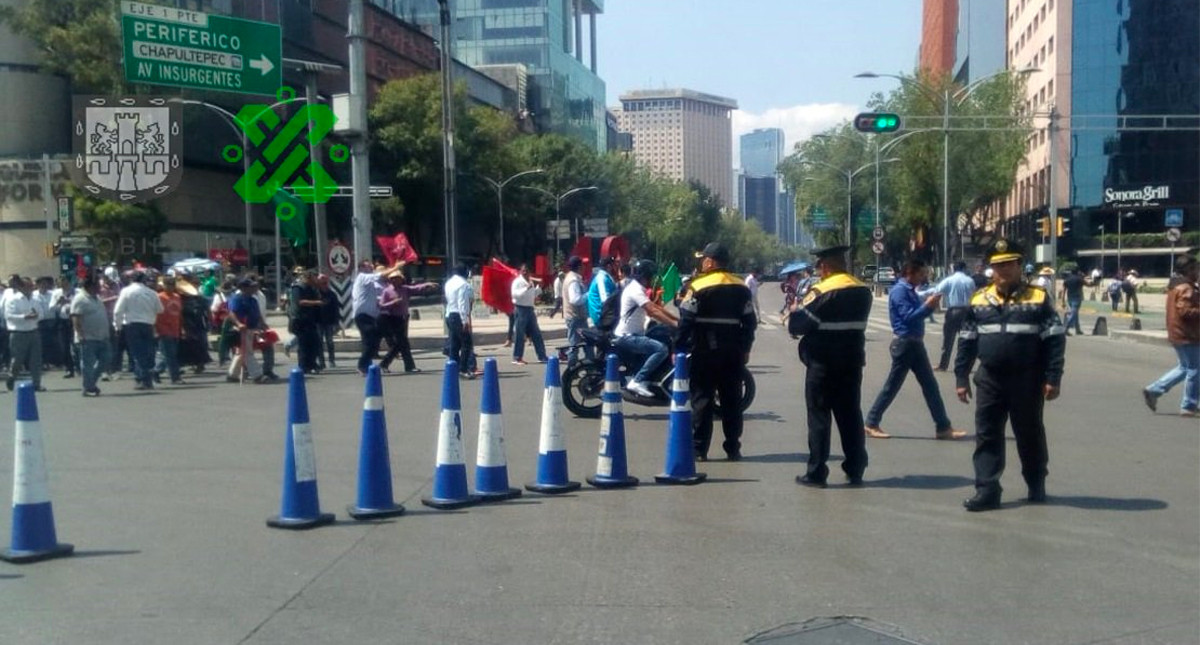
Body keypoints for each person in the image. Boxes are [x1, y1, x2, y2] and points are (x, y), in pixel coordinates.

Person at [955, 239, 1066, 511]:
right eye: (998, 266)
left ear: (1019, 266)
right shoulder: (979, 300)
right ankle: (987, 490)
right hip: (990, 379)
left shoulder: (1038, 298)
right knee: (987, 435)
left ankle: (1035, 482)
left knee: (1029, 434)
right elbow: (967, 339)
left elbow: (1054, 340)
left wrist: (1053, 377)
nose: (1003, 270)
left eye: (1008, 265)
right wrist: (961, 377)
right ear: (991, 269)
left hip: (1027, 380)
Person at [787, 246, 873, 488]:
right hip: (852, 362)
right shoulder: (863, 291)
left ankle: (816, 472)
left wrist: (795, 312)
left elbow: (798, 326)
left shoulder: (821, 291)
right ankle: (855, 468)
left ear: (825, 266)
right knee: (850, 415)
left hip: (822, 364)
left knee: (819, 416)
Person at [862, 260, 964, 440]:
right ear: (910, 273)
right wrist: (928, 306)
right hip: (905, 344)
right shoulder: (900, 291)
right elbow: (909, 317)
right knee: (892, 386)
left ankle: (943, 427)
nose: (924, 278)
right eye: (921, 274)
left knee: (930, 386)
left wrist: (926, 304)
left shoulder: (909, 290)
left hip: (914, 344)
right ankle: (871, 422)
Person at [678, 243, 757, 461]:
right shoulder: (741, 287)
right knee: (732, 401)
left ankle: (699, 449)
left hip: (704, 351)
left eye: (703, 259)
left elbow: (685, 320)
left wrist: (679, 347)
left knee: (702, 399)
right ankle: (733, 447)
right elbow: (750, 323)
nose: (701, 263)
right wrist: (746, 348)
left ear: (711, 262)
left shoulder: (698, 286)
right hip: (733, 353)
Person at [1142, 256, 1199, 417]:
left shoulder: (1176, 286)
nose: (1197, 272)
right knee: (1194, 370)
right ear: (1187, 270)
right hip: (1188, 334)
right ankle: (1189, 405)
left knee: (1184, 368)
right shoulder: (1186, 288)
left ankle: (1154, 390)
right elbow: (1185, 310)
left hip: (1178, 332)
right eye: (1195, 269)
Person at [613, 259, 678, 397]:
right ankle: (637, 381)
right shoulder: (635, 290)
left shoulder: (637, 288)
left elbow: (655, 307)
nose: (653, 279)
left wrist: (677, 320)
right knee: (661, 349)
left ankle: (653, 377)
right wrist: (674, 325)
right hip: (628, 336)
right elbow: (652, 312)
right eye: (651, 276)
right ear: (646, 276)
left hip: (635, 334)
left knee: (661, 335)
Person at [378, 268, 436, 373]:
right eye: (393, 279)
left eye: (398, 278)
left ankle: (402, 365)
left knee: (402, 344)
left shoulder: (405, 289)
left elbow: (416, 288)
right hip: (392, 319)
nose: (396, 281)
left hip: (403, 319)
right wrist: (393, 303)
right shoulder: (387, 291)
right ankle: (390, 364)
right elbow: (381, 305)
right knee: (401, 343)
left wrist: (426, 284)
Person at [113, 271, 164, 391]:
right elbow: (160, 309)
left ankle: (141, 378)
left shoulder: (126, 291)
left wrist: (117, 325)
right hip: (148, 325)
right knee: (148, 352)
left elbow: (118, 311)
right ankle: (148, 379)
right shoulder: (152, 293)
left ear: (132, 280)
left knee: (137, 353)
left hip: (132, 324)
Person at [352, 260, 398, 376]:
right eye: (368, 266)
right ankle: (362, 366)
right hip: (363, 316)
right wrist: (396, 266)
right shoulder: (362, 277)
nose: (372, 267)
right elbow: (381, 275)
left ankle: (367, 365)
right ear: (361, 268)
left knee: (373, 341)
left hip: (372, 316)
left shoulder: (371, 283)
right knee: (371, 341)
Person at [70, 276, 111, 397]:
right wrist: (80, 334)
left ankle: (90, 383)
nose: (99, 287)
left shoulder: (96, 298)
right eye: (97, 285)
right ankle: (88, 387)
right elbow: (75, 318)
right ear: (90, 286)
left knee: (106, 359)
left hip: (102, 336)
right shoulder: (80, 299)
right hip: (88, 337)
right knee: (87, 364)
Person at [934, 261, 978, 371]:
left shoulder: (949, 280)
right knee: (966, 338)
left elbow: (937, 291)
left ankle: (943, 365)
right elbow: (975, 294)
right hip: (968, 312)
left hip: (953, 311)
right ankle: (965, 365)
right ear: (964, 268)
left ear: (954, 269)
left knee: (948, 339)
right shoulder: (970, 280)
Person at [5, 277, 45, 392]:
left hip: (33, 331)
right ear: (21, 287)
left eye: (31, 286)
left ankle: (36, 383)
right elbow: (9, 316)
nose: (31, 288)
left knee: (36, 359)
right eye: (28, 286)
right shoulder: (13, 299)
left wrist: (36, 316)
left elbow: (42, 314)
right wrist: (25, 317)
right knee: (17, 359)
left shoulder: (35, 299)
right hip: (18, 333)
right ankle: (11, 376)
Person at [444, 264, 481, 379]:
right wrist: (465, 320)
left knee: (455, 344)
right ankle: (463, 369)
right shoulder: (463, 284)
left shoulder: (448, 283)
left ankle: (453, 368)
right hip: (459, 315)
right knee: (467, 343)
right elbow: (462, 303)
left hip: (450, 314)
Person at [227, 278, 265, 384]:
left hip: (251, 328)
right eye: (251, 286)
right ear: (244, 288)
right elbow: (232, 313)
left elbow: (257, 314)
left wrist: (262, 324)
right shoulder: (237, 299)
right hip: (242, 329)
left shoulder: (253, 299)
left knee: (241, 352)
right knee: (247, 352)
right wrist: (239, 324)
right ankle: (257, 375)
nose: (253, 288)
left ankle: (232, 375)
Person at [510, 263, 548, 365]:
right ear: (520, 271)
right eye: (523, 270)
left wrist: (539, 288)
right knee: (520, 334)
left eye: (527, 270)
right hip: (520, 309)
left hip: (529, 309)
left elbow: (532, 294)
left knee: (536, 333)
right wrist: (526, 288)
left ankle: (542, 356)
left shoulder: (530, 281)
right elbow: (515, 295)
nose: (525, 272)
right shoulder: (517, 282)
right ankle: (517, 357)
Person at [289, 269, 324, 374]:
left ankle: (312, 364)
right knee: (303, 345)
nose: (315, 279)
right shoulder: (298, 287)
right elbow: (300, 302)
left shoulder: (312, 288)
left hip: (310, 320)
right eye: (314, 277)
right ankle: (303, 366)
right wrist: (316, 302)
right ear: (308, 277)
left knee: (315, 343)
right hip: (300, 320)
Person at [153, 276, 185, 385]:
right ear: (164, 285)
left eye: (172, 284)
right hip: (163, 329)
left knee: (169, 354)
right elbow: (155, 313)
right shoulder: (159, 297)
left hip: (175, 329)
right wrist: (155, 329)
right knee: (169, 354)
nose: (171, 287)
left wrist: (182, 328)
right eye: (168, 284)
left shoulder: (177, 297)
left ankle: (155, 371)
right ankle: (175, 377)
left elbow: (179, 314)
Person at [561, 256, 592, 367]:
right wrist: (589, 294)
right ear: (579, 266)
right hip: (575, 317)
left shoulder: (572, 278)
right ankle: (571, 370)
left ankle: (590, 368)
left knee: (587, 343)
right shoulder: (573, 281)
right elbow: (575, 300)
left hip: (577, 317)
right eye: (582, 265)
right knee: (574, 346)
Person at [51, 277, 78, 378]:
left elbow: (80, 305)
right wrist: (59, 303)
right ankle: (69, 369)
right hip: (62, 321)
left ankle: (80, 366)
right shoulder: (56, 293)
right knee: (64, 346)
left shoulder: (77, 292)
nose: (62, 284)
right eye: (60, 282)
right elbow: (51, 308)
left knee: (77, 345)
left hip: (75, 320)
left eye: (64, 281)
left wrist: (70, 304)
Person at [315, 274, 339, 369]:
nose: (324, 284)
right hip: (318, 321)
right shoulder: (316, 294)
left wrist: (336, 323)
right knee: (319, 342)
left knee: (330, 342)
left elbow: (336, 309)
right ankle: (321, 362)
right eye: (322, 282)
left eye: (325, 282)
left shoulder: (332, 294)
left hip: (329, 322)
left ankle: (331, 360)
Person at [586, 256, 618, 327]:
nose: (616, 267)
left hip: (603, 315)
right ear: (609, 266)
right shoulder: (602, 279)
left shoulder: (604, 277)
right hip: (601, 317)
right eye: (614, 265)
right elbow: (605, 299)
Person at [1060, 268, 1085, 335]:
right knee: (1073, 314)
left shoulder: (1067, 279)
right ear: (1077, 272)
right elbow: (1088, 284)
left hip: (1070, 299)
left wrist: (1062, 301)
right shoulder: (1079, 279)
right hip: (1077, 298)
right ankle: (1066, 328)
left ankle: (1077, 329)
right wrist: (1095, 282)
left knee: (1075, 314)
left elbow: (1063, 291)